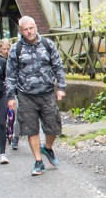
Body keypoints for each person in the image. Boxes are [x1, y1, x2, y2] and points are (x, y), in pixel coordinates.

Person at [6, 16, 66, 176]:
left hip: (47, 93)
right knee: (30, 129)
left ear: (36, 27)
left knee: (53, 127)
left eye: (31, 28)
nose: (29, 31)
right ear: (21, 31)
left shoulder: (47, 44)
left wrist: (61, 87)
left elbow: (58, 66)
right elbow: (10, 74)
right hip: (26, 95)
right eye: (25, 29)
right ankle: (38, 162)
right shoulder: (16, 49)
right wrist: (10, 96)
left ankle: (47, 148)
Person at [0, 39, 20, 150]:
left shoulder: (13, 58)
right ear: (0, 49)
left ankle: (12, 134)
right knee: (5, 112)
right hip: (2, 90)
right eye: (4, 49)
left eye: (8, 49)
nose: (6, 51)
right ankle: (7, 130)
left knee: (13, 113)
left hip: (14, 89)